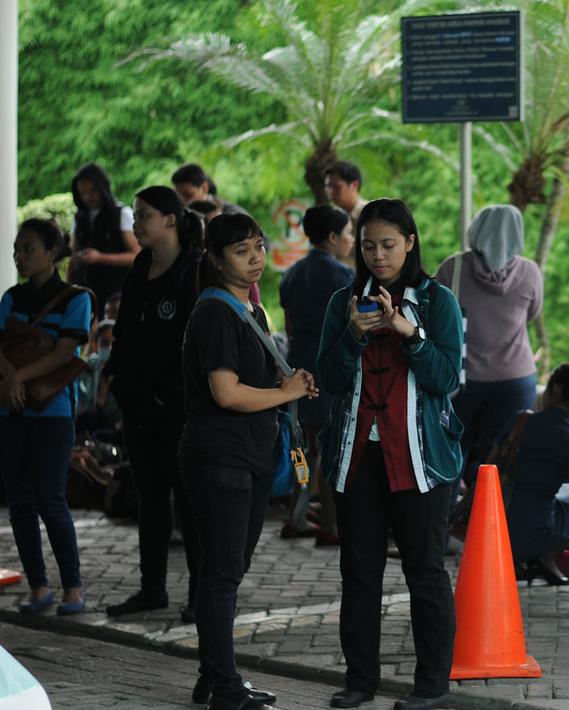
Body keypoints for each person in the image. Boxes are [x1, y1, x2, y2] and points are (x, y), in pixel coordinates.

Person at [317, 199, 463, 710]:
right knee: (359, 573)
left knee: (425, 572)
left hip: (421, 461)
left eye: (389, 245)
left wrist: (411, 334)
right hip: (358, 457)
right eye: (369, 245)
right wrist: (355, 335)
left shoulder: (438, 301)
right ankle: (359, 682)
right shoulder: (343, 303)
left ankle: (431, 688)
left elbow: (448, 379)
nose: (378, 256)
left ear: (411, 242)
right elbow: (330, 380)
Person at [180, 213, 317, 710]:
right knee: (221, 574)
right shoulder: (215, 313)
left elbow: (257, 385)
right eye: (242, 250)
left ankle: (214, 677)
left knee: (228, 571)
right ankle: (225, 688)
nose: (256, 257)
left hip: (250, 457)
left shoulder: (249, 309)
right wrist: (283, 393)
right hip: (221, 458)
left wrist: (288, 386)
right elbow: (226, 393)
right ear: (216, 260)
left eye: (258, 246)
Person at [104, 186, 206, 624]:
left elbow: (194, 340)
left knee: (189, 502)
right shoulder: (142, 264)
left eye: (144, 215)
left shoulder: (193, 270)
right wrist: (115, 374)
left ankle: (201, 595)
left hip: (176, 408)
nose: (137, 223)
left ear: (169, 219)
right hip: (137, 404)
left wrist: (170, 392)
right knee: (150, 498)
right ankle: (152, 588)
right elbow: (126, 328)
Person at [0, 219, 91, 616]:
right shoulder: (11, 297)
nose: (20, 256)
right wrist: (10, 377)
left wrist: (18, 375)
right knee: (19, 501)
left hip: (52, 410)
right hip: (9, 406)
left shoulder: (76, 298)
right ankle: (39, 587)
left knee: (52, 499)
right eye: (17, 249)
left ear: (52, 253)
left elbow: (66, 352)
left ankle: (72, 588)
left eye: (28, 248)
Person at [436, 205, 543, 487]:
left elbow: (434, 314)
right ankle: (482, 522)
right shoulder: (530, 272)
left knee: (450, 451)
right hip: (515, 380)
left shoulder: (452, 268)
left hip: (462, 381)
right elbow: (532, 314)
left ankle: (442, 522)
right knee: (497, 461)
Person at [278, 205, 355, 546]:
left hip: (297, 367)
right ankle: (330, 524)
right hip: (328, 369)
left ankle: (296, 516)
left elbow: (291, 325)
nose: (352, 241)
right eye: (349, 234)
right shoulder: (342, 276)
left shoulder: (290, 274)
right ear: (334, 236)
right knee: (330, 448)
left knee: (306, 447)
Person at [504, 362, 569, 581]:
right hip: (532, 533)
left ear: (556, 390)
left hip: (493, 523)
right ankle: (543, 555)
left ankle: (532, 557)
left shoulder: (521, 420)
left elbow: (491, 462)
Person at [69, 162, 140, 306]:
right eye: (83, 192)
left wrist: (100, 257)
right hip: (84, 290)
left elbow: (136, 256)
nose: (88, 197)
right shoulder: (79, 217)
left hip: (115, 293)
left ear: (103, 188)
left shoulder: (121, 214)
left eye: (93, 191)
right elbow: (73, 254)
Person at [172, 164, 250, 218]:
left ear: (204, 188)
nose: (183, 202)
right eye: (179, 197)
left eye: (188, 195)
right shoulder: (180, 215)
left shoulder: (233, 214)